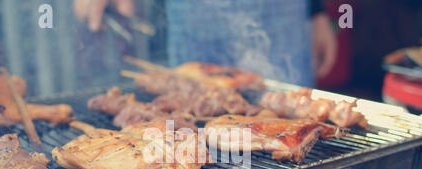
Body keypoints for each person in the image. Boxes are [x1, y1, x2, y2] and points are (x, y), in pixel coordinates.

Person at [74, 0, 337, 87]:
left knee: (293, 136)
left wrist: (316, 12)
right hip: (198, 12)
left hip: (281, 13)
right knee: (195, 123)